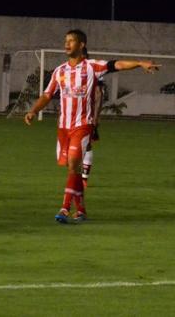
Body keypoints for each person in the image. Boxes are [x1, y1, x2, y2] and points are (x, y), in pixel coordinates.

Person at [24, 29, 160, 223]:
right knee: (74, 170)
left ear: (81, 45)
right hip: (63, 127)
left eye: (71, 41)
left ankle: (64, 208)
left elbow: (116, 64)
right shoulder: (59, 71)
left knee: (73, 164)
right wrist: (33, 110)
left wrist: (139, 63)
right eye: (66, 41)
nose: (67, 44)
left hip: (83, 125)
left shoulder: (92, 67)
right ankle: (81, 211)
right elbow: (47, 95)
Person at [81, 47, 104, 189]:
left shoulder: (92, 68)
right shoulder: (69, 69)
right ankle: (78, 177)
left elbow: (98, 94)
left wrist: (95, 116)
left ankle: (83, 179)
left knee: (87, 145)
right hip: (72, 116)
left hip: (87, 115)